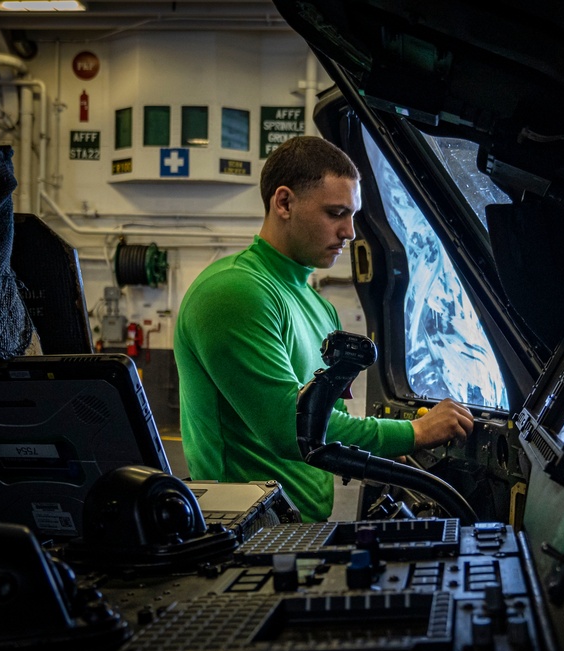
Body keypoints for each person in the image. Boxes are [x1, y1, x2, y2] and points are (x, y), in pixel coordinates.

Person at [174, 136, 474, 522]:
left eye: (352, 215)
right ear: (284, 203)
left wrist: (390, 444)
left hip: (299, 528)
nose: (350, 232)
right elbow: (294, 429)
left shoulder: (320, 307)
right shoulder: (234, 292)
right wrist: (415, 433)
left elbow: (332, 422)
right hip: (242, 533)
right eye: (336, 213)